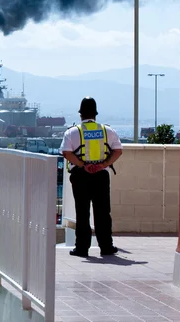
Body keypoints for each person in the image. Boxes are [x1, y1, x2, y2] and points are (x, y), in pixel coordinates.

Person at [60, 97, 123, 257]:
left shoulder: (73, 132)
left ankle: (82, 248)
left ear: (81, 114)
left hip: (80, 175)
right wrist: (103, 164)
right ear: (95, 114)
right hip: (101, 175)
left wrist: (82, 165)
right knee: (102, 211)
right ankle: (106, 247)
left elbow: (66, 152)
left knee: (82, 212)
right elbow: (118, 150)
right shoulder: (107, 131)